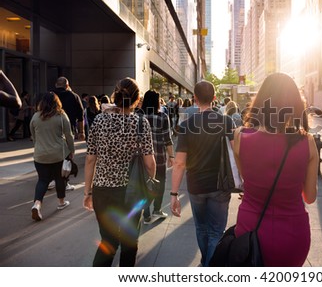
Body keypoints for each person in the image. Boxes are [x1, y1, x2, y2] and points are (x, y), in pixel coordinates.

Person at [233, 73, 319, 266]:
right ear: (296, 105)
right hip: (292, 233)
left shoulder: (240, 137)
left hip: (250, 228)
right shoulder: (307, 143)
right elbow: (310, 197)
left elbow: (247, 181)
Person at [83, 77, 156, 267]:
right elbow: (149, 163)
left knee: (108, 241)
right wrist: (151, 181)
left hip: (102, 191)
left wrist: (87, 192)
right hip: (131, 193)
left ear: (115, 96)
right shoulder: (141, 124)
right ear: (136, 98)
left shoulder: (99, 121)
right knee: (129, 243)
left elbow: (90, 159)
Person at [170, 80, 234, 267]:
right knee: (216, 232)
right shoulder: (226, 121)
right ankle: (209, 267)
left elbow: (180, 163)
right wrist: (243, 181)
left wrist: (174, 194)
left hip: (196, 186)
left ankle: (206, 263)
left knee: (201, 228)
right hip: (221, 185)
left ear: (195, 99)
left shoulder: (187, 124)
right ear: (215, 99)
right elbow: (235, 154)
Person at [29, 92, 74, 221]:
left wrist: (39, 147)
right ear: (57, 103)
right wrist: (72, 150)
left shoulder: (35, 117)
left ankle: (37, 204)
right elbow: (69, 135)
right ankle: (61, 202)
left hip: (40, 155)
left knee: (42, 180)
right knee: (60, 178)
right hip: (58, 154)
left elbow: (33, 136)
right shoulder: (61, 116)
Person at [141, 90, 174, 223]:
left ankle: (147, 214)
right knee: (159, 183)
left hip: (142, 158)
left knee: (144, 185)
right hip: (159, 157)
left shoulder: (138, 116)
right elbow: (168, 139)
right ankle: (157, 210)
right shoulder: (162, 116)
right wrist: (171, 156)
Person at [54, 77, 85, 141]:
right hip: (69, 128)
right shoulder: (74, 96)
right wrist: (81, 132)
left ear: (56, 85)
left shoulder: (49, 95)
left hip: (51, 129)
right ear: (67, 86)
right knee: (68, 148)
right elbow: (80, 115)